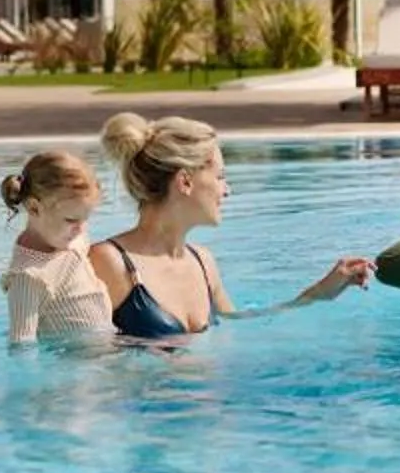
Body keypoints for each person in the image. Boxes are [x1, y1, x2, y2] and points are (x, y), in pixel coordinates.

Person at [91, 111, 375, 341]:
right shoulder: (110, 263)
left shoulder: (203, 262)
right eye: (220, 177)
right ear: (185, 182)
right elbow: (80, 356)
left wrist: (320, 293)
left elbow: (239, 325)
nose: (227, 190)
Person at [0, 149, 111, 344]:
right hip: (75, 368)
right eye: (71, 220)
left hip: (109, 347)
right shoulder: (28, 277)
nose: (81, 229)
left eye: (86, 219)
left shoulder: (72, 239)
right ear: (34, 208)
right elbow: (21, 347)